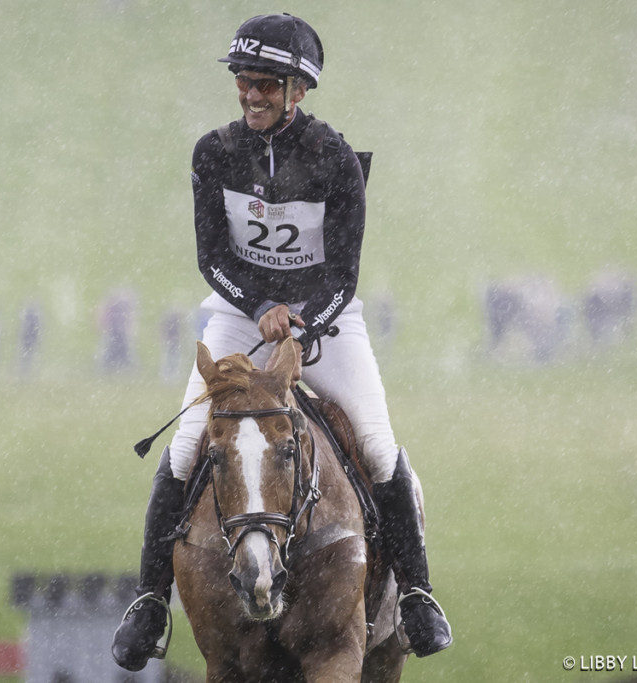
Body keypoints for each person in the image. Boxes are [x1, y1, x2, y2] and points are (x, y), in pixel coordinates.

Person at [112, 13, 452, 672]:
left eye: (265, 83)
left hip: (325, 316)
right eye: (244, 82)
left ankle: (415, 593)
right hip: (240, 312)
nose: (251, 94)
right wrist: (263, 306)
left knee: (380, 446)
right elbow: (213, 257)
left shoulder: (335, 160)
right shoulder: (214, 153)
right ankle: (150, 602)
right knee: (183, 446)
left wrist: (297, 320)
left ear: (298, 89)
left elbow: (343, 272)